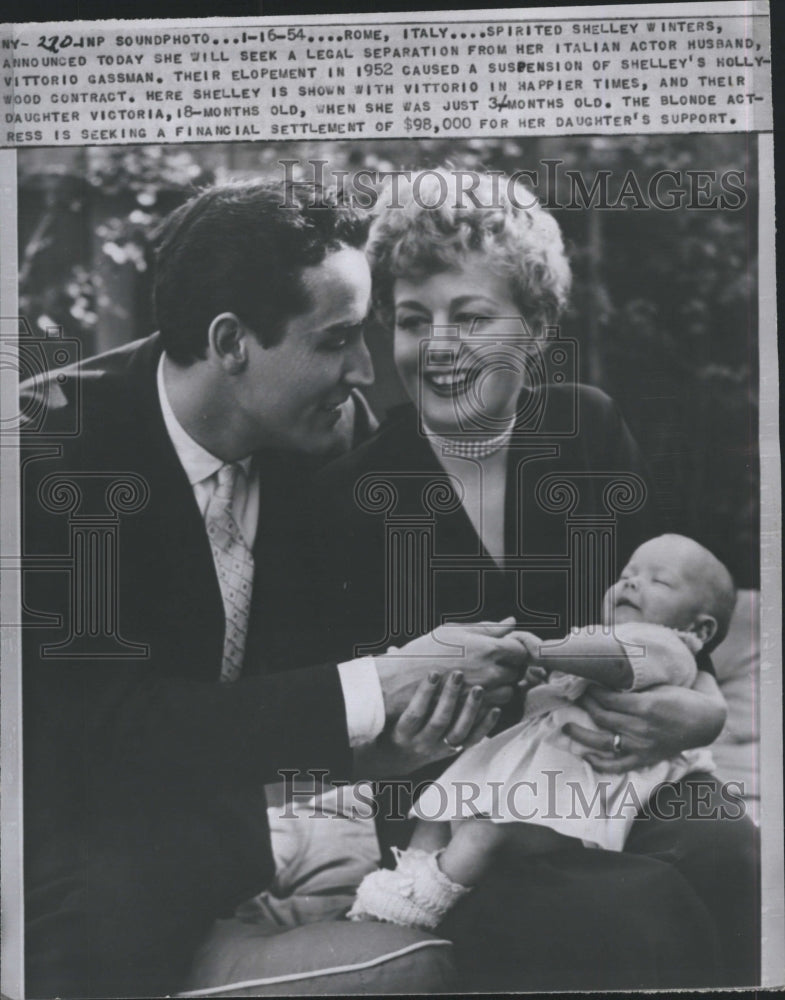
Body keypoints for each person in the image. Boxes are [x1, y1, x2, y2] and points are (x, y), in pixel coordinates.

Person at [19, 180, 525, 998]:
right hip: (53, 862)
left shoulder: (325, 436)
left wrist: (401, 727)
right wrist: (367, 693)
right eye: (335, 341)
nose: (365, 370)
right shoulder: (41, 460)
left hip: (212, 858)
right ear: (230, 341)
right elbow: (96, 733)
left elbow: (355, 652)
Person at [304, 168, 760, 987]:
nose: (438, 346)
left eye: (471, 316)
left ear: (537, 328)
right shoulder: (349, 497)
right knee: (630, 910)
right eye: (413, 321)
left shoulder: (587, 429)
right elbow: (329, 709)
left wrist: (702, 709)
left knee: (733, 855)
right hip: (459, 820)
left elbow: (669, 619)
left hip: (617, 767)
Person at [348, 535, 737, 929]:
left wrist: (543, 652)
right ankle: (403, 883)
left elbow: (617, 662)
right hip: (540, 766)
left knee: (484, 833)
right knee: (440, 808)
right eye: (626, 575)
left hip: (578, 787)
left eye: (660, 581)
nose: (631, 583)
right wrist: (541, 679)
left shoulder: (665, 644)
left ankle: (420, 906)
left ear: (700, 630)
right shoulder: (608, 636)